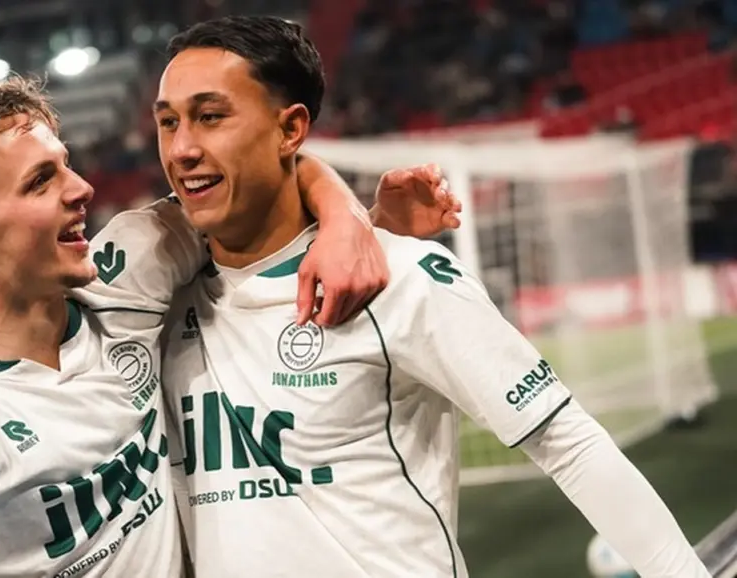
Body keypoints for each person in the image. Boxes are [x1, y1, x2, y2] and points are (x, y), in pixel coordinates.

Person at [0, 76, 446, 577]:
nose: (83, 188)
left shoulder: (122, 276)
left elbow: (253, 179)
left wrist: (353, 220)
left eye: (65, 165)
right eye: (40, 180)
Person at [153, 16, 711, 578]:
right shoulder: (154, 301)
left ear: (291, 129)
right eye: (168, 122)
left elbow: (567, 443)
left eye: (210, 117)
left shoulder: (403, 279)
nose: (181, 149)